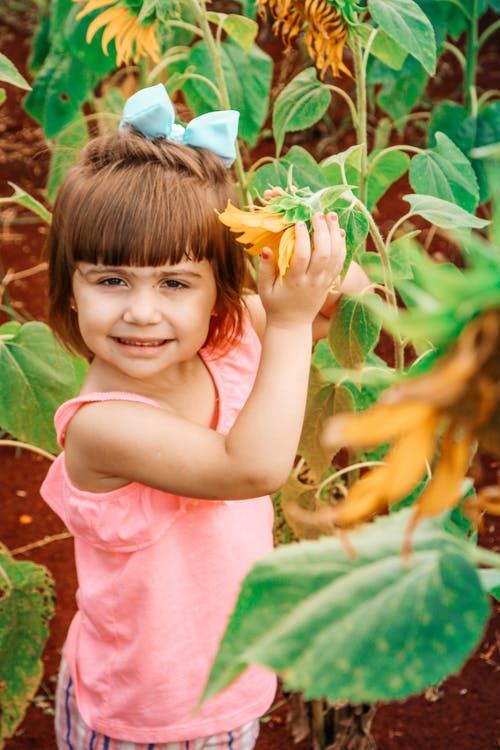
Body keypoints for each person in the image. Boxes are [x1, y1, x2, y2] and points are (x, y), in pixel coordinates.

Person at [40, 84, 367, 750]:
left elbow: (345, 303)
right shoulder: (103, 425)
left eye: (175, 282)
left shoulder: (231, 333)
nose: (141, 312)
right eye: (109, 279)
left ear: (219, 285)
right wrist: (292, 317)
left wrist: (304, 239)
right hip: (151, 712)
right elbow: (252, 469)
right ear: (69, 290)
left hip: (223, 674)